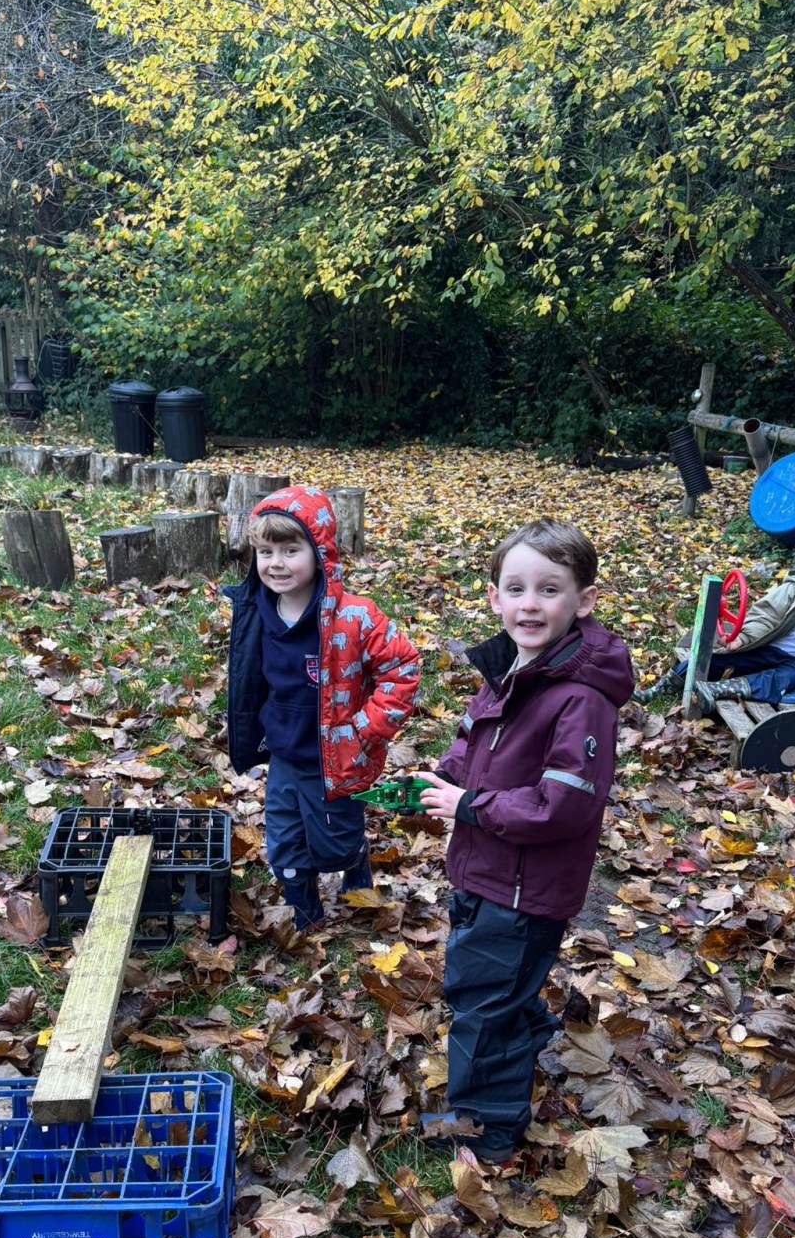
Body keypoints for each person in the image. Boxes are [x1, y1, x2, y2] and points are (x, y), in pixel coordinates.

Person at [416, 518, 634, 1164]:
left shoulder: (580, 698)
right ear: (494, 597)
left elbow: (563, 804)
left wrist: (470, 805)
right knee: (483, 986)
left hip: (523, 885)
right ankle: (523, 1035)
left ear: (583, 601)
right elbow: (473, 738)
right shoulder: (512, 666)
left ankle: (485, 1131)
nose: (530, 604)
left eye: (549, 590)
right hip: (486, 867)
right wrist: (446, 776)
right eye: (516, 589)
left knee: (485, 1005)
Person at [225, 485, 420, 930]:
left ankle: (355, 863)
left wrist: (365, 729)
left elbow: (403, 667)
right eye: (266, 552)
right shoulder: (255, 610)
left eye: (290, 550)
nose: (276, 563)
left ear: (320, 554)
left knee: (335, 843)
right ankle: (305, 912)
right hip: (282, 753)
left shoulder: (354, 617)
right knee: (284, 843)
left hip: (336, 758)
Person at [636, 519, 795, 714]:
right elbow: (766, 616)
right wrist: (743, 639)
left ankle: (718, 689)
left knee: (779, 680)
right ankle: (661, 688)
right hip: (771, 648)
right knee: (715, 658)